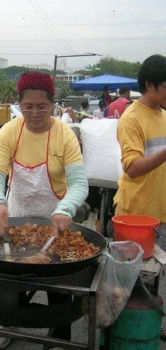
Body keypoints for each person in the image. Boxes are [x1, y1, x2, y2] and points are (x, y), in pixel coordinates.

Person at [0, 71, 88, 349]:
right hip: (18, 217)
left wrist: (66, 208)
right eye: (27, 106)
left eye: (41, 106)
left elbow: (79, 183)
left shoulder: (64, 134)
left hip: (57, 220)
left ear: (53, 104)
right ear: (19, 104)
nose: (35, 113)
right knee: (13, 277)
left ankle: (58, 336)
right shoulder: (9, 131)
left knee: (59, 283)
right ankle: (9, 324)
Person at [114, 54, 166, 339]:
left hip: (162, 212)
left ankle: (149, 328)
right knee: (130, 281)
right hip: (137, 216)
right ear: (150, 85)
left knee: (156, 278)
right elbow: (132, 168)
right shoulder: (131, 119)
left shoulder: (164, 114)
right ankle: (120, 332)